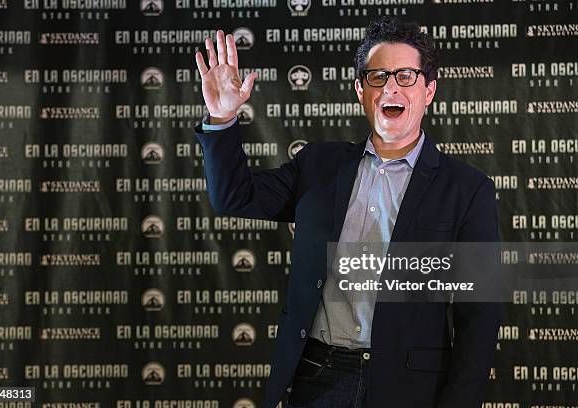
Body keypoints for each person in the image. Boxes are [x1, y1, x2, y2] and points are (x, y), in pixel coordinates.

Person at [193, 17, 502, 408]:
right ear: (360, 90)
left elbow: (480, 318)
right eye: (377, 76)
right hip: (316, 379)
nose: (391, 86)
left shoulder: (467, 190)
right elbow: (234, 197)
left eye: (406, 76)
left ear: (429, 91)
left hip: (409, 388)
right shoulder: (318, 166)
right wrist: (221, 118)